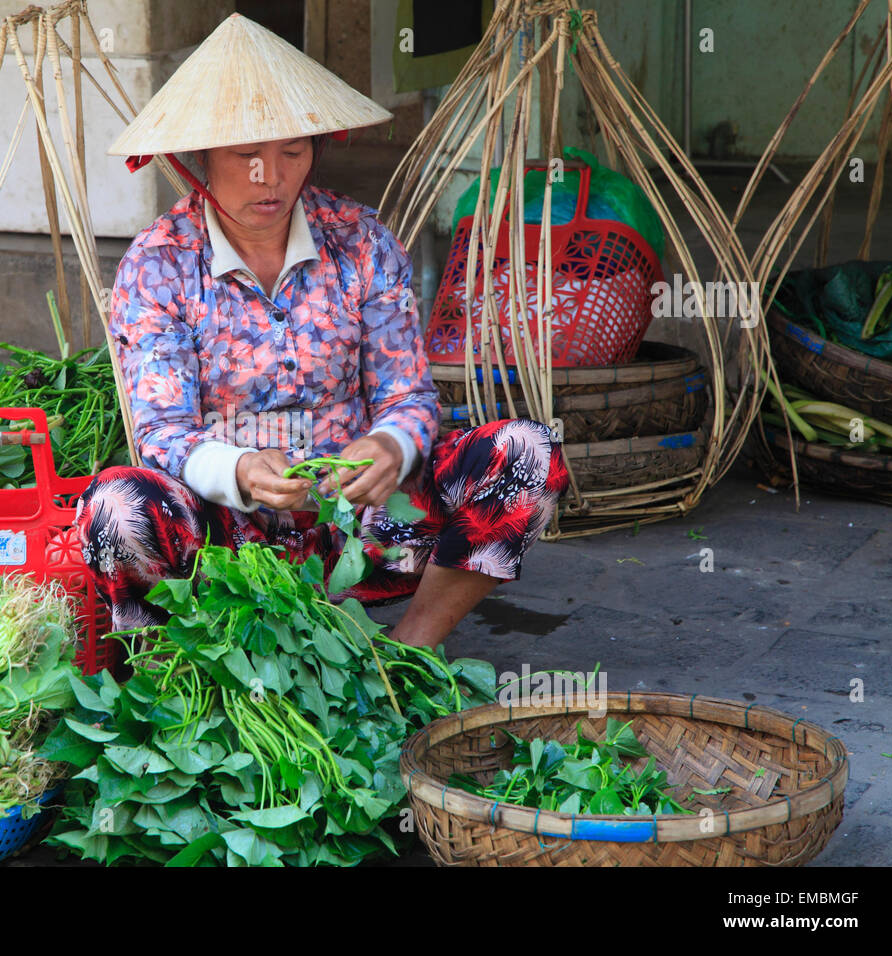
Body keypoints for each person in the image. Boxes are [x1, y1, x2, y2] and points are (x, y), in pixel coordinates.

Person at [75, 14, 568, 650]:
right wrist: (242, 470)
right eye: (245, 155)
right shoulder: (158, 265)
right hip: (227, 545)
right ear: (197, 161)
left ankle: (409, 655)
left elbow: (409, 396)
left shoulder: (360, 240)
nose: (270, 177)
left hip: (365, 527)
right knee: (115, 507)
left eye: (291, 151)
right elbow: (162, 432)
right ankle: (181, 669)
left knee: (527, 452)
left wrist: (392, 447)